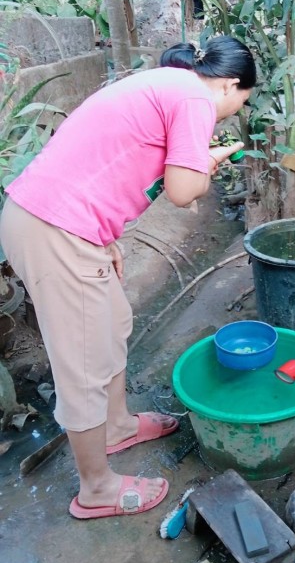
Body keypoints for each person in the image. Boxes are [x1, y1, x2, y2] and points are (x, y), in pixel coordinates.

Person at [0, 37, 255, 518]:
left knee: (112, 322)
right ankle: (95, 489)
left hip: (62, 222)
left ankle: (116, 426)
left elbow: (107, 160)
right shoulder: (197, 98)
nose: (233, 111)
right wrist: (205, 163)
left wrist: (105, 236)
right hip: (53, 229)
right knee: (83, 365)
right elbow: (183, 190)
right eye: (242, 101)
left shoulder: (171, 85)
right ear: (230, 84)